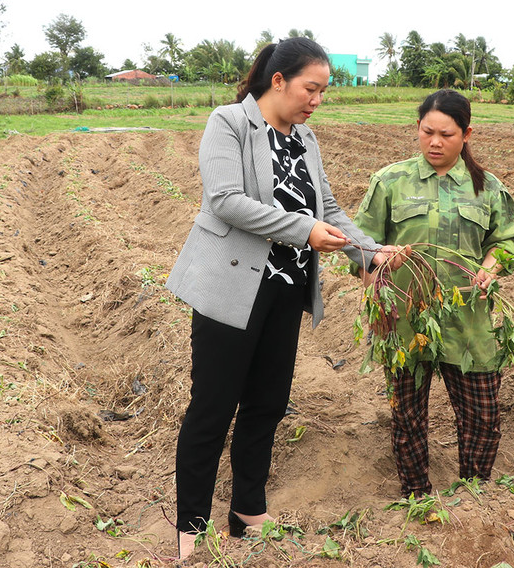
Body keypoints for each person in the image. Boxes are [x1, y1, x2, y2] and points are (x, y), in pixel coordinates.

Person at [166, 37, 402, 561]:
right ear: (278, 81)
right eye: (310, 89)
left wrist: (369, 251)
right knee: (213, 407)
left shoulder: (305, 138)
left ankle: (248, 510)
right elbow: (225, 201)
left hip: (285, 289)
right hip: (231, 287)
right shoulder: (230, 122)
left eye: (323, 92)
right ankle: (191, 527)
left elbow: (328, 208)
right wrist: (304, 230)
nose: (317, 100)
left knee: (267, 404)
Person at [352, 89, 514, 497]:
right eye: (428, 132)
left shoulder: (488, 188)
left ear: (467, 134)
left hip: (468, 321)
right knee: (407, 417)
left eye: (447, 134)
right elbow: (359, 245)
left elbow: (505, 243)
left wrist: (490, 267)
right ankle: (416, 495)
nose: (435, 143)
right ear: (418, 128)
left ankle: (474, 493)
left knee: (482, 415)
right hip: (406, 320)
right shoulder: (390, 182)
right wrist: (377, 279)